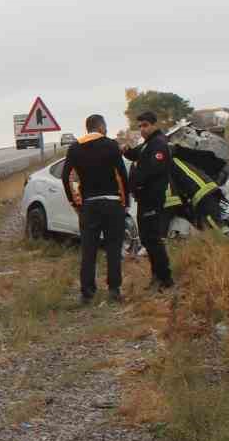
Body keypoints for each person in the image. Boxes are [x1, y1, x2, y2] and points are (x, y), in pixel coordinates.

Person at [62, 114, 130, 304]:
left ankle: (87, 293)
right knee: (113, 248)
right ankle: (114, 290)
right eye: (105, 127)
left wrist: (74, 202)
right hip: (112, 203)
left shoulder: (75, 147)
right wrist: (126, 202)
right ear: (101, 127)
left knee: (88, 249)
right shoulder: (111, 145)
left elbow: (65, 176)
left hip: (89, 205)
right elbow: (122, 176)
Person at [124, 110, 175, 290]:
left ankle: (165, 279)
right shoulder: (148, 144)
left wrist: (135, 178)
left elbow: (152, 170)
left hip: (153, 198)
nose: (142, 129)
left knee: (152, 239)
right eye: (140, 126)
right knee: (147, 239)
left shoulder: (159, 144)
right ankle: (157, 276)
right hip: (144, 199)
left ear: (154, 125)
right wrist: (125, 150)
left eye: (145, 125)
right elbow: (134, 155)